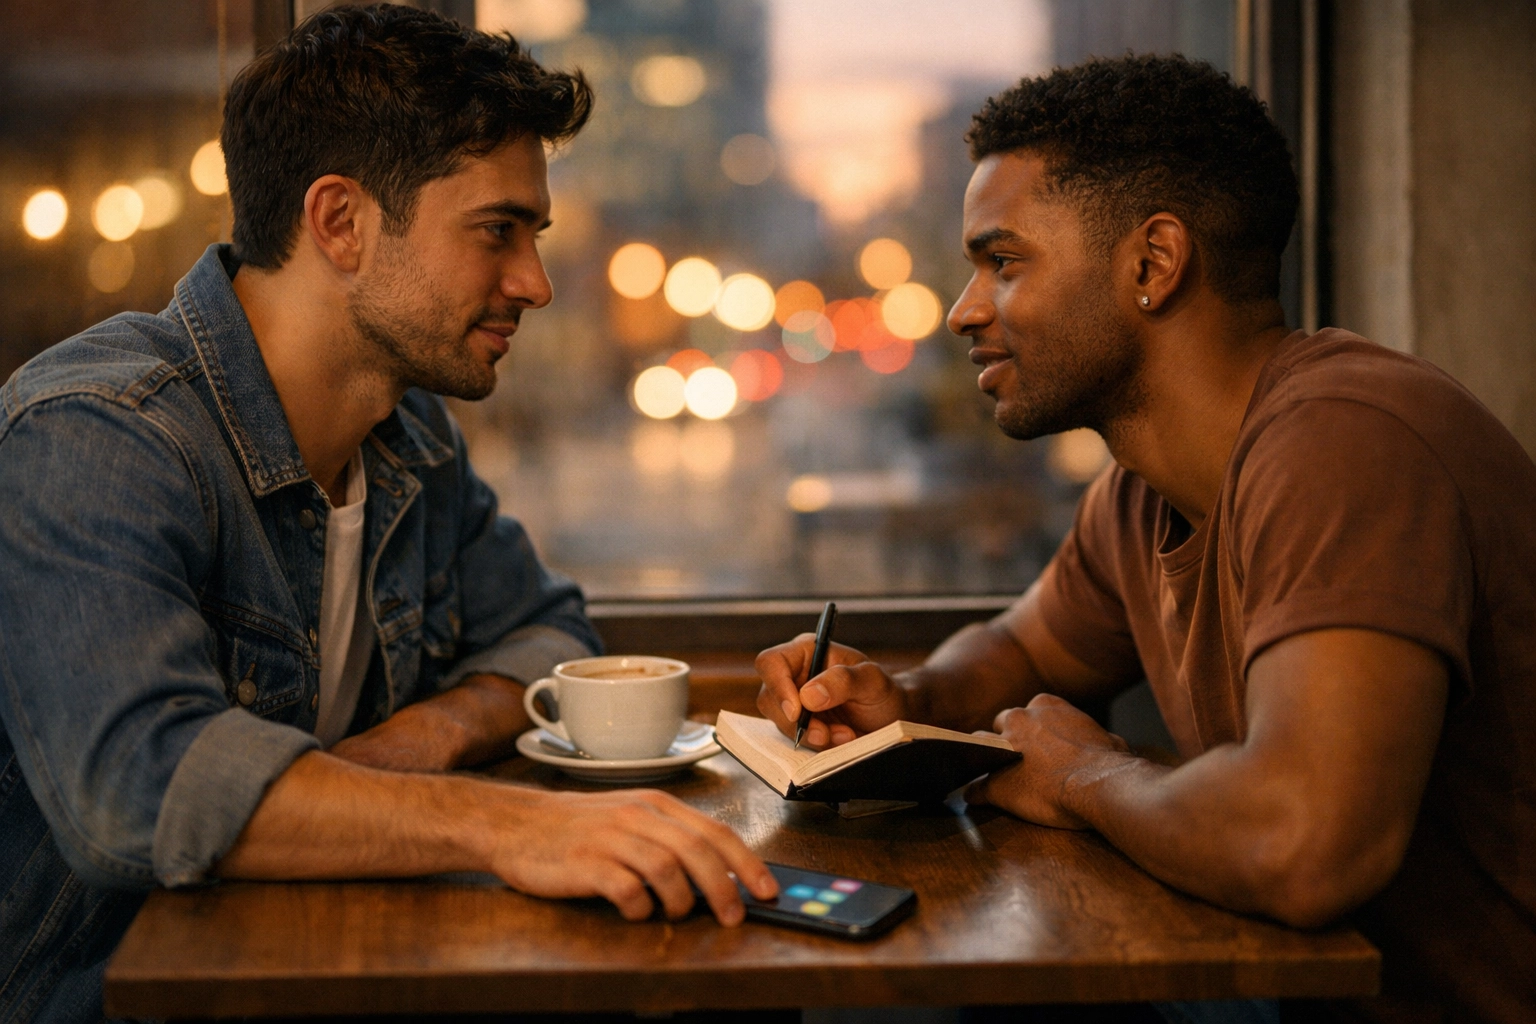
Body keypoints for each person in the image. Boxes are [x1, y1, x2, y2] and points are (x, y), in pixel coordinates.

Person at [0, 7, 776, 1021]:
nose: (535, 284)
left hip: (327, 972)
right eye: (498, 231)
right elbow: (142, 788)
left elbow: (551, 635)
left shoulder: (410, 439)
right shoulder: (100, 435)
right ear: (340, 223)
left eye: (533, 237)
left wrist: (431, 736)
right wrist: (504, 826)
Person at [758, 55, 1535, 1024]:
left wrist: (1087, 775)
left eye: (1003, 262)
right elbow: (1022, 649)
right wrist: (904, 702)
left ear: (1153, 265)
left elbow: (1305, 845)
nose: (963, 309)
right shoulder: (1140, 493)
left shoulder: (1346, 441)